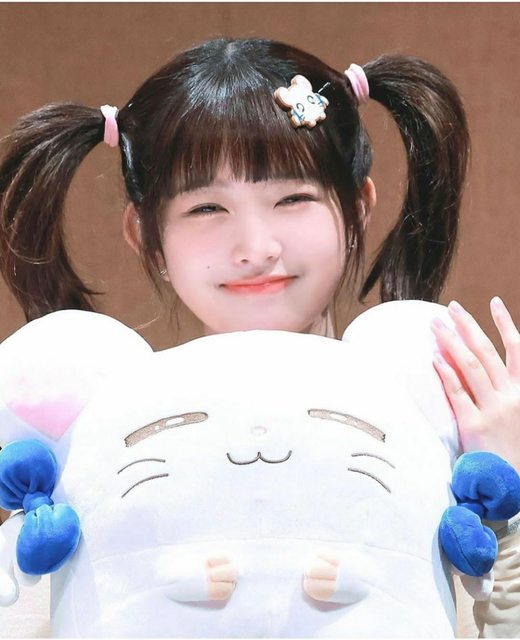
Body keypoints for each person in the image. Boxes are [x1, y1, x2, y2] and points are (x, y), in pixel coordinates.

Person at [0, 37, 518, 636]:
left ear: (357, 209)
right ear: (145, 235)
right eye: (206, 209)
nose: (256, 248)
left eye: (293, 198)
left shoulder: (443, 418)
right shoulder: (96, 444)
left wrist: (508, 492)